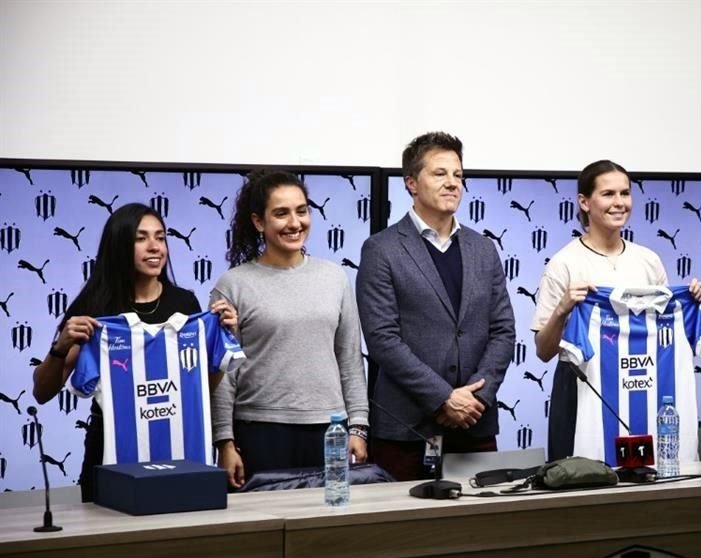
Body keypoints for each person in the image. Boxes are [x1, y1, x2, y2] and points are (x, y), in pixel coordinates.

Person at [31, 203, 237, 501]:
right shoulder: (95, 310)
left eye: (161, 237)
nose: (155, 247)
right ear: (119, 246)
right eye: (141, 238)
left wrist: (222, 339)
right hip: (111, 452)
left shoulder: (185, 304)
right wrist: (59, 348)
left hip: (178, 451)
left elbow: (201, 385)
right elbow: (42, 391)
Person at [356, 131, 516, 481]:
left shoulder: (483, 249)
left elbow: (503, 331)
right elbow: (383, 340)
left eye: (458, 175)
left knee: (484, 529)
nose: (452, 183)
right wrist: (444, 397)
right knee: (404, 532)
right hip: (407, 429)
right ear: (411, 183)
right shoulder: (381, 250)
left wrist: (477, 397)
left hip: (475, 423)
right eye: (439, 173)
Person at [532, 159, 701, 461]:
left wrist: (692, 299)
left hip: (645, 388)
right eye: (608, 194)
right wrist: (562, 310)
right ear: (585, 202)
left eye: (625, 194)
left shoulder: (648, 260)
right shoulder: (564, 264)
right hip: (582, 390)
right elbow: (543, 351)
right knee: (582, 490)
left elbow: (667, 327)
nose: (619, 203)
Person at [211, 169, 368, 489]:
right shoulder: (233, 285)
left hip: (330, 429)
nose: (295, 223)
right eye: (281, 213)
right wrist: (224, 443)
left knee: (328, 528)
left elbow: (350, 360)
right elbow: (224, 374)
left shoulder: (335, 277)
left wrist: (359, 428)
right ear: (259, 222)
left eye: (302, 211)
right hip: (260, 431)